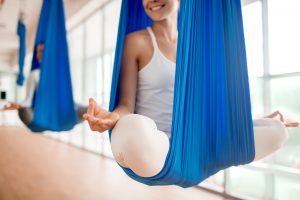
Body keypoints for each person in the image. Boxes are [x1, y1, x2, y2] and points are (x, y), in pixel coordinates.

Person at [83, 0, 299, 177]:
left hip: (198, 144)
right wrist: (113, 118)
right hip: (158, 146)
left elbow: (210, 105)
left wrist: (249, 123)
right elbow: (126, 104)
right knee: (133, 127)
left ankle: (209, 152)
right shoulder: (136, 41)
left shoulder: (196, 43)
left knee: (277, 131)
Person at [1, 43, 87, 126]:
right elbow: (28, 101)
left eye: (42, 50)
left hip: (63, 111)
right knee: (24, 113)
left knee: (90, 110)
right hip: (42, 113)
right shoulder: (34, 74)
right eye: (38, 51)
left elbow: (67, 97)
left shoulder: (60, 72)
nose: (39, 54)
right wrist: (18, 105)